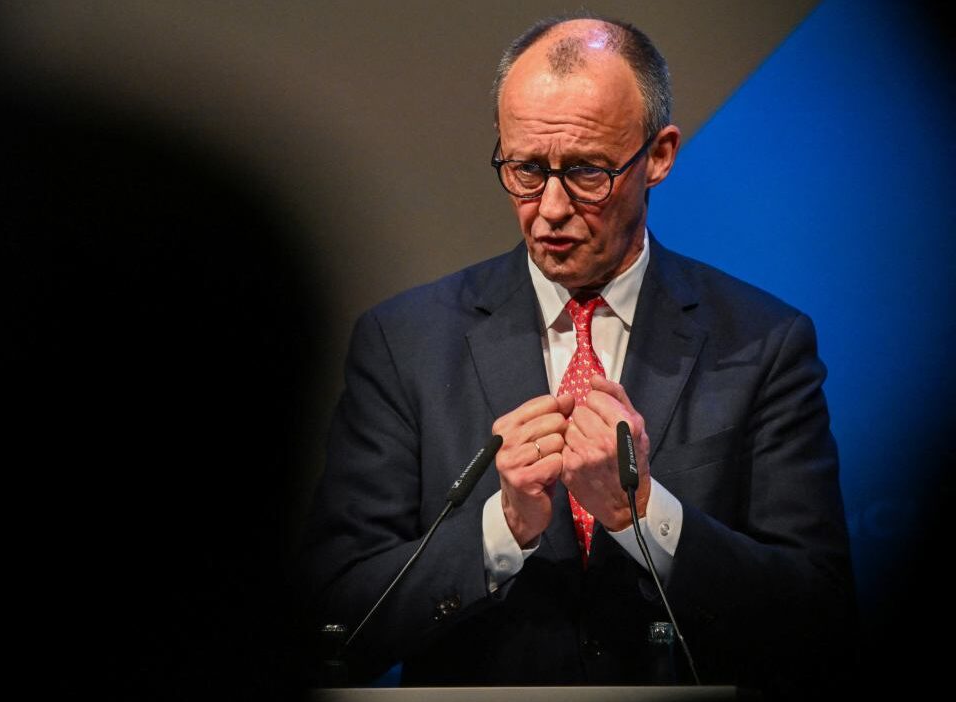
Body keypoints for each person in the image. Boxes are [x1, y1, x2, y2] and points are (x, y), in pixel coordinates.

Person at [300, 13, 856, 698]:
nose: (551, 209)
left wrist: (645, 513)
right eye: (527, 170)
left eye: (588, 171)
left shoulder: (764, 342)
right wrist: (501, 530)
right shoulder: (404, 342)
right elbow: (332, 625)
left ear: (659, 155)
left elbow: (820, 626)